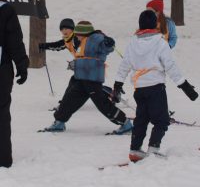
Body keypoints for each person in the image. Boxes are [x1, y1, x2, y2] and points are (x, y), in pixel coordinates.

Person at [113, 10, 198, 162]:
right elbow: (170, 66)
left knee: (141, 119)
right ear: (155, 24)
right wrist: (185, 86)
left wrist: (117, 85)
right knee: (162, 120)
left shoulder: (133, 43)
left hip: (139, 89)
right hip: (156, 88)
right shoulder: (160, 42)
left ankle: (135, 150)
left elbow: (124, 65)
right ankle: (153, 149)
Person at [43, 21, 132, 134]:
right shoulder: (83, 41)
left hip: (92, 78)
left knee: (102, 103)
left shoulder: (96, 39)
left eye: (78, 34)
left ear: (84, 33)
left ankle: (126, 123)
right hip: (81, 77)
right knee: (69, 100)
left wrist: (109, 43)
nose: (77, 37)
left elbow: (107, 47)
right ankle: (59, 122)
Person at [0, 0, 29, 168]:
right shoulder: (6, 10)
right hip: (1, 70)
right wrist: (22, 65)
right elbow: (14, 40)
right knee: (2, 114)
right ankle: (3, 158)